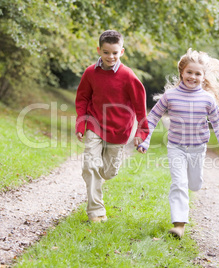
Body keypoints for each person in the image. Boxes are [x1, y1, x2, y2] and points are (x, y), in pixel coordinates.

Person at [137, 48, 219, 238]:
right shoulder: (170, 96)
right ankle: (179, 224)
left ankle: (194, 184)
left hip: (198, 148)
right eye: (189, 72)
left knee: (194, 184)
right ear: (181, 72)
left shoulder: (207, 99)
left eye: (198, 73)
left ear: (204, 77)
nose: (193, 76)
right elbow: (153, 117)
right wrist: (145, 140)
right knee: (179, 183)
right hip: (176, 147)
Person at [75, 30, 149, 223]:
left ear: (122, 52)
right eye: (106, 52)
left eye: (115, 53)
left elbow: (141, 107)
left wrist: (142, 131)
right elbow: (83, 98)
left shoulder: (128, 76)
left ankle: (100, 180)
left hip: (119, 131)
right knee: (90, 165)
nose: (110, 57)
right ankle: (96, 212)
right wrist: (81, 123)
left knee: (108, 172)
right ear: (99, 50)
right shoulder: (90, 73)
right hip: (95, 124)